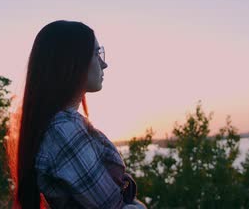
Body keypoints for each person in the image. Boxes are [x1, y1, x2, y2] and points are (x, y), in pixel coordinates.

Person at [9, 20, 147, 209]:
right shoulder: (64, 129)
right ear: (71, 61)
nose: (104, 64)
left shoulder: (62, 125)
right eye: (97, 54)